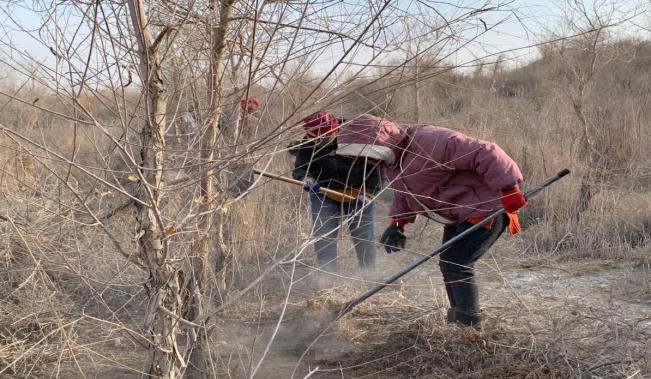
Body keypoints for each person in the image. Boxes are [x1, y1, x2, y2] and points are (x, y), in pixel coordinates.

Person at [336, 114, 526, 329]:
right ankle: (458, 323)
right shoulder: (392, 162)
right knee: (449, 263)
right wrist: (398, 223)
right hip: (457, 214)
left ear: (375, 144)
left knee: (456, 262)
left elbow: (486, 151)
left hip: (486, 208)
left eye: (365, 155)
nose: (366, 163)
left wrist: (509, 188)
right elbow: (404, 193)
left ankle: (470, 327)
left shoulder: (430, 142)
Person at [289, 112, 382, 275]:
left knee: (363, 234)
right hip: (324, 193)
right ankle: (327, 274)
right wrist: (306, 178)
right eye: (315, 138)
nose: (319, 142)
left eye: (324, 138)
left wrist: (368, 193)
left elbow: (377, 169)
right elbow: (301, 168)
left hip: (358, 193)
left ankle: (369, 273)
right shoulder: (309, 141)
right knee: (324, 233)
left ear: (335, 130)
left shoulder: (357, 136)